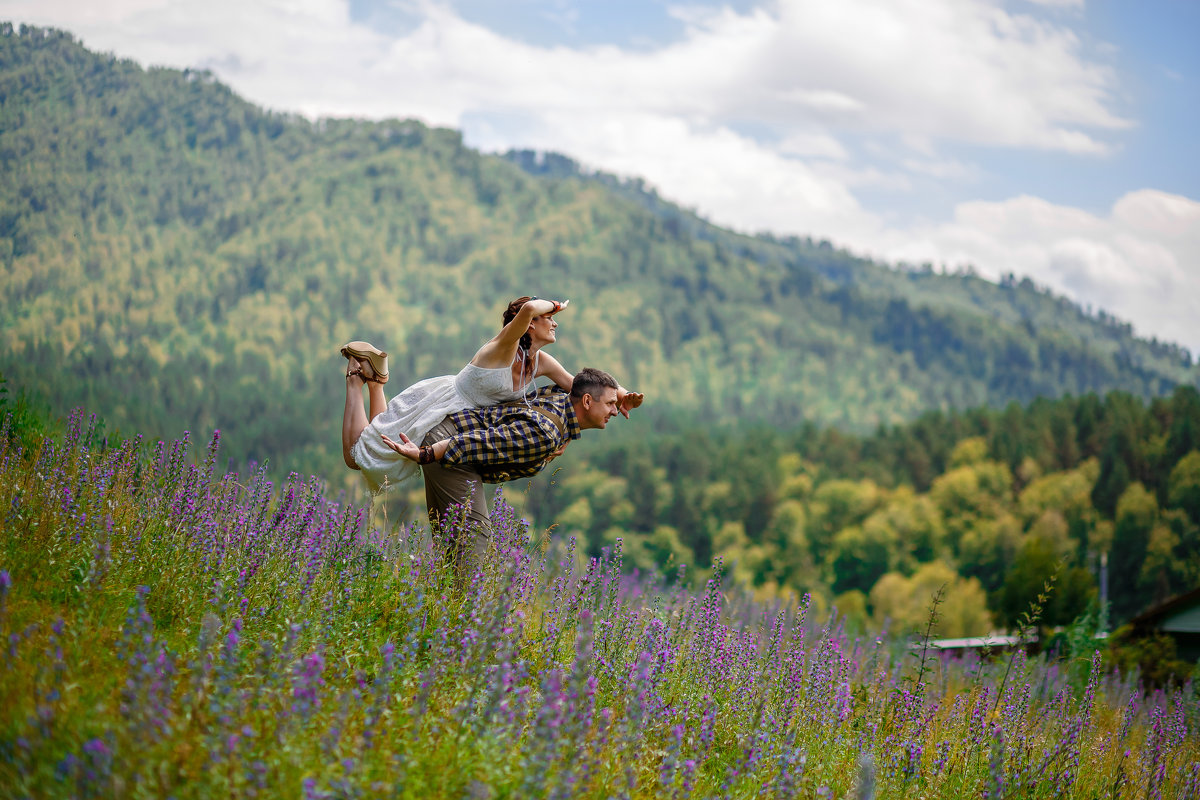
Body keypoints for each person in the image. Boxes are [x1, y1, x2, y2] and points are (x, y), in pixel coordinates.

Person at [341, 297, 642, 493]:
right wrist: (553, 302)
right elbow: (526, 310)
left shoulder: (541, 362)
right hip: (442, 405)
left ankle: (377, 381)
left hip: (464, 419)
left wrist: (622, 395)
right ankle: (355, 379)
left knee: (381, 439)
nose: (555, 321)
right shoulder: (503, 348)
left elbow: (583, 388)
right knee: (358, 456)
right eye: (549, 316)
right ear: (531, 323)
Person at [380, 367, 623, 575]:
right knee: (475, 544)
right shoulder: (546, 433)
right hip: (450, 447)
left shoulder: (561, 399)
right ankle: (463, 623)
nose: (615, 411)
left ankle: (443, 616)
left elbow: (574, 387)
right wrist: (426, 454)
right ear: (588, 401)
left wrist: (621, 396)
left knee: (455, 549)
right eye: (611, 404)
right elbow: (480, 442)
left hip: (452, 444)